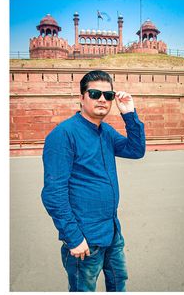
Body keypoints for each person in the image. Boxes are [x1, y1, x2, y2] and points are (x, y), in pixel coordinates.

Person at [41, 70, 145, 292]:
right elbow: (53, 193)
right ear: (81, 97)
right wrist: (73, 237)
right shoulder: (64, 135)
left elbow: (135, 150)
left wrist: (129, 114)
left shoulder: (104, 131)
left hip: (112, 230)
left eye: (108, 95)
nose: (102, 99)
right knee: (83, 289)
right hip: (85, 237)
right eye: (95, 93)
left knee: (118, 283)